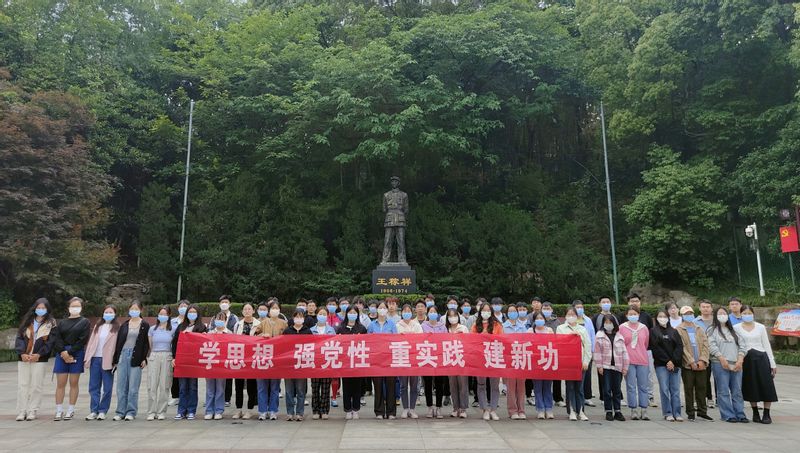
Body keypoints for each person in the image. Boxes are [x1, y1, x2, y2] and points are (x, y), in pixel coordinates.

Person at [734, 305, 777, 424]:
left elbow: (766, 345)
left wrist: (772, 363)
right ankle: (755, 412)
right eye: (744, 313)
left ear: (753, 314)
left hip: (761, 358)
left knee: (766, 384)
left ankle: (767, 413)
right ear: (740, 314)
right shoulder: (736, 328)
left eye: (749, 313)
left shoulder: (760, 327)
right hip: (746, 359)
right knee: (751, 385)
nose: (747, 315)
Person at [15, 298, 56, 421]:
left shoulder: (51, 323)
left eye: (43, 308)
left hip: (39, 359)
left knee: (36, 385)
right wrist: (22, 353)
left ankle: (32, 410)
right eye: (39, 308)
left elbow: (50, 342)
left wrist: (39, 354)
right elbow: (19, 338)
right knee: (23, 385)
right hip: (24, 358)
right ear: (35, 308)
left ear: (47, 309)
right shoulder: (27, 321)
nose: (41, 310)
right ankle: (22, 411)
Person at [52, 297, 90, 421]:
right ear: (68, 307)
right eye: (73, 306)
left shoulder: (85, 322)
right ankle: (59, 410)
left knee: (74, 383)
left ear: (81, 308)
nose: (75, 308)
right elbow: (57, 338)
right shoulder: (62, 322)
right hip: (61, 353)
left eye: (77, 306)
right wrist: (63, 352)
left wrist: (69, 353)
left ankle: (70, 409)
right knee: (60, 383)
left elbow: (82, 340)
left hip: (76, 353)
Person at [708, 307, 747, 423]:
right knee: (723, 390)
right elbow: (711, 346)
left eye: (724, 313)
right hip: (720, 364)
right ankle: (728, 415)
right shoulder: (712, 330)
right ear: (715, 316)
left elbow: (742, 345)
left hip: (736, 363)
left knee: (737, 391)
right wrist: (721, 358)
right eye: (719, 314)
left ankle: (740, 414)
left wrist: (740, 359)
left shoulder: (734, 330)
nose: (722, 316)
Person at [112, 301, 150, 421]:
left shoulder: (144, 325)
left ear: (141, 310)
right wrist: (116, 359)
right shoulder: (125, 325)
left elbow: (146, 344)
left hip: (136, 356)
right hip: (123, 355)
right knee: (121, 386)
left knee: (133, 387)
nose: (134, 311)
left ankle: (131, 411)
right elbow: (119, 342)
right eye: (132, 309)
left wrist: (144, 358)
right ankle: (120, 411)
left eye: (136, 309)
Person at [676, 305, 713, 421]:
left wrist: (702, 360)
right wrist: (691, 361)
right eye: (686, 314)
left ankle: (702, 411)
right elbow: (682, 347)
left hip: (701, 364)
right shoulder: (679, 329)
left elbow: (706, 345)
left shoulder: (699, 328)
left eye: (690, 313)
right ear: (682, 316)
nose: (689, 316)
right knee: (689, 388)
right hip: (687, 365)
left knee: (702, 387)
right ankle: (690, 412)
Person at [253, 300, 287, 420]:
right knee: (262, 386)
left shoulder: (284, 324)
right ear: (269, 310)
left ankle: (273, 410)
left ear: (280, 310)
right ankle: (262, 410)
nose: (274, 310)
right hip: (262, 358)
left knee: (274, 387)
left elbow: (289, 339)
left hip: (277, 359)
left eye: (277, 308)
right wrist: (261, 336)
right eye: (272, 308)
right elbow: (252, 336)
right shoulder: (262, 323)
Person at [84, 305, 119, 420]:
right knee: (94, 386)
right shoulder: (98, 326)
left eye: (111, 312)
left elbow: (117, 346)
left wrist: (115, 361)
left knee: (107, 387)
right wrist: (87, 357)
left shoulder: (116, 328)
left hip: (108, 360)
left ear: (115, 314)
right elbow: (91, 343)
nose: (108, 314)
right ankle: (94, 410)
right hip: (95, 358)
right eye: (106, 312)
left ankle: (103, 410)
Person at [172, 304, 206, 420]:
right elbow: (175, 343)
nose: (192, 314)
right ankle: (181, 411)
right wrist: (174, 357)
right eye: (190, 312)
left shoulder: (201, 327)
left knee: (192, 386)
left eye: (194, 312)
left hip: (194, 362)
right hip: (182, 361)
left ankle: (191, 410)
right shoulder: (181, 326)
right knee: (182, 387)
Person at [556, 307, 591, 421]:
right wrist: (570, 336)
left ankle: (581, 411)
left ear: (577, 316)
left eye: (573, 314)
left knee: (579, 388)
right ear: (565, 316)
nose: (571, 316)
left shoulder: (582, 329)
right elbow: (559, 344)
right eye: (569, 314)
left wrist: (586, 361)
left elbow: (588, 346)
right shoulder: (561, 328)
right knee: (570, 387)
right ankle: (571, 411)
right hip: (568, 363)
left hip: (580, 363)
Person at [472, 301, 504, 421]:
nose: (486, 312)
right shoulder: (476, 325)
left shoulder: (497, 325)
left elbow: (501, 340)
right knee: (481, 385)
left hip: (494, 357)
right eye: (484, 310)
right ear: (480, 312)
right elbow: (472, 341)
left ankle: (493, 409)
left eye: (488, 310)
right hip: (480, 358)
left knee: (494, 385)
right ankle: (484, 409)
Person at [594, 313, 629, 421]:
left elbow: (624, 352)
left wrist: (625, 367)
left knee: (617, 390)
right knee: (607, 389)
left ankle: (617, 411)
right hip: (606, 367)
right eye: (606, 322)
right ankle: (608, 411)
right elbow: (597, 352)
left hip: (618, 367)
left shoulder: (619, 336)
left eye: (610, 322)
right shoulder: (599, 335)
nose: (608, 324)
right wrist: (599, 366)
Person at [650, 310, 683, 421]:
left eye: (664, 316)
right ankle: (667, 412)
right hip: (661, 365)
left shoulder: (674, 331)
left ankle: (677, 413)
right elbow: (655, 348)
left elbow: (679, 347)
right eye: (660, 316)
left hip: (675, 364)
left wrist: (673, 361)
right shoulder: (653, 331)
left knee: (675, 389)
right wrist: (667, 361)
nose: (662, 318)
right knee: (664, 389)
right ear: (656, 318)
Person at [367, 301, 398, 419]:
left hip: (389, 359)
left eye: (384, 308)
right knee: (378, 385)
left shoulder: (392, 324)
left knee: (391, 386)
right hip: (376, 360)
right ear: (376, 310)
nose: (382, 310)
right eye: (380, 308)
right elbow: (368, 341)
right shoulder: (371, 325)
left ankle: (391, 412)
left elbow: (395, 340)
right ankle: (379, 411)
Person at [619, 306, 650, 420]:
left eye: (635, 314)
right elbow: (620, 344)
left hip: (642, 360)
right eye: (630, 314)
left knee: (643, 386)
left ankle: (644, 409)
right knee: (631, 386)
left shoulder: (644, 328)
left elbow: (646, 343)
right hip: (629, 361)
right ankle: (633, 409)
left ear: (638, 315)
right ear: (626, 315)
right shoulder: (622, 327)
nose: (633, 316)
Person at [146, 306, 176, 421]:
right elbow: (150, 345)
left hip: (167, 356)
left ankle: (161, 411)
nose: (162, 316)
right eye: (161, 314)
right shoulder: (152, 329)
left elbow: (174, 344)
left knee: (165, 384)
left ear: (169, 316)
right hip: (154, 355)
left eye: (165, 314)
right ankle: (151, 411)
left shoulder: (172, 329)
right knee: (152, 385)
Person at [338, 305, 368, 419]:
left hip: (358, 361)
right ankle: (347, 409)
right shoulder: (341, 328)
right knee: (346, 386)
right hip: (345, 362)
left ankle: (355, 409)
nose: (352, 315)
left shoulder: (361, 328)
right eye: (350, 312)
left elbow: (367, 343)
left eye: (354, 313)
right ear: (346, 314)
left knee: (357, 386)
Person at [231, 303, 260, 419]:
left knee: (251, 385)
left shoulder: (259, 324)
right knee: (238, 385)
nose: (247, 311)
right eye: (245, 309)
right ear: (242, 312)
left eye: (249, 309)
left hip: (253, 358)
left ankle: (250, 409)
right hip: (239, 357)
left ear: (253, 311)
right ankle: (238, 409)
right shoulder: (238, 324)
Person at [282, 309, 311, 421]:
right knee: (289, 391)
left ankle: (299, 413)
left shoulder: (307, 331)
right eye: (297, 316)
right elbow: (282, 346)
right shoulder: (287, 331)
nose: (299, 319)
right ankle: (290, 412)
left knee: (300, 390)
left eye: (301, 316)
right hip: (289, 365)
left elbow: (312, 346)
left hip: (302, 365)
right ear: (293, 318)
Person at [397, 303, 422, 418]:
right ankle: (405, 408)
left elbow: (421, 339)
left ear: (412, 313)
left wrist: (412, 335)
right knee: (403, 385)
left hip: (414, 358)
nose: (406, 313)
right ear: (401, 313)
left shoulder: (416, 325)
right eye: (404, 311)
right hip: (402, 358)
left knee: (414, 385)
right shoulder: (398, 325)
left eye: (408, 311)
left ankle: (412, 408)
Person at [421, 304, 446, 419]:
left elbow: (446, 340)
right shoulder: (423, 326)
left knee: (439, 383)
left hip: (440, 358)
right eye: (430, 312)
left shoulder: (442, 326)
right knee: (428, 383)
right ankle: (430, 407)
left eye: (434, 312)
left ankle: (439, 407)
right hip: (427, 357)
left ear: (437, 314)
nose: (432, 314)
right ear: (427, 313)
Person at [310, 307, 335, 420]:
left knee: (325, 388)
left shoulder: (331, 330)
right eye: (320, 314)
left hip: (327, 362)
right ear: (317, 315)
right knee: (315, 388)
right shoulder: (311, 330)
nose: (322, 316)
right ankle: (315, 410)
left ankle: (324, 410)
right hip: (314, 362)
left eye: (324, 314)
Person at [503, 304, 527, 419]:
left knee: (521, 386)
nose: (513, 313)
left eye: (514, 311)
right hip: (509, 360)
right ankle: (512, 411)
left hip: (521, 358)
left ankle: (521, 410)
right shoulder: (503, 327)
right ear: (507, 313)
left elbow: (527, 341)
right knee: (511, 387)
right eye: (510, 311)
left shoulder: (522, 327)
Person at [528, 311, 555, 419]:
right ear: (534, 320)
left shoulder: (549, 330)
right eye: (537, 318)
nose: (539, 320)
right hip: (535, 363)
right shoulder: (530, 331)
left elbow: (554, 344)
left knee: (547, 386)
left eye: (541, 318)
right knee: (537, 387)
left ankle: (549, 408)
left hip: (548, 361)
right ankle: (540, 409)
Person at [204, 313, 230, 419]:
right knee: (210, 389)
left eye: (222, 319)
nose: (219, 321)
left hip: (222, 365)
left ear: (225, 321)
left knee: (220, 388)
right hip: (210, 364)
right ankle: (209, 411)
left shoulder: (229, 333)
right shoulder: (209, 333)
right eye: (218, 319)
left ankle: (219, 410)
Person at [445, 308, 469, 418]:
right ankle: (455, 408)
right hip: (450, 360)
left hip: (462, 360)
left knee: (463, 385)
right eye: (450, 316)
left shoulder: (463, 328)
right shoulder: (446, 329)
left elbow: (469, 342)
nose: (452, 318)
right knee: (453, 385)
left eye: (454, 315)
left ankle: (463, 408)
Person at [573, 300, 597, 409]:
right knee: (576, 376)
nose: (580, 309)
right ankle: (576, 397)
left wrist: (592, 350)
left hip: (586, 352)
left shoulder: (588, 320)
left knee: (587, 375)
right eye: (577, 307)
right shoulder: (571, 320)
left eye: (581, 307)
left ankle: (587, 397)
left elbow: (592, 335)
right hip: (574, 352)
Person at [694, 299, 716, 410]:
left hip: (716, 353)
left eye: (708, 307)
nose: (706, 309)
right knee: (703, 377)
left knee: (717, 377)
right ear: (699, 308)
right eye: (703, 307)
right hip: (702, 353)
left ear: (711, 308)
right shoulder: (695, 321)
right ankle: (707, 398)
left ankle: (718, 399)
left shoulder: (716, 321)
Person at [168, 299, 190, 406]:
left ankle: (187, 396)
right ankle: (175, 396)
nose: (183, 308)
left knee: (188, 376)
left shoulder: (191, 322)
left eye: (185, 306)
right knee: (175, 374)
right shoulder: (172, 322)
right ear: (178, 308)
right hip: (175, 351)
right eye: (181, 306)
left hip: (188, 353)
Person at [218, 295, 238, 407]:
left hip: (229, 349)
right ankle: (217, 396)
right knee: (217, 373)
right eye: (222, 302)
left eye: (226, 302)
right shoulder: (215, 317)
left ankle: (227, 398)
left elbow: (236, 332)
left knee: (228, 374)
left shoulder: (234, 318)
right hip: (217, 349)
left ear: (230, 304)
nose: (224, 304)